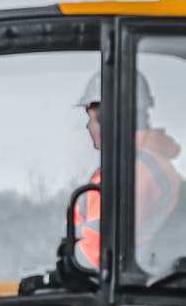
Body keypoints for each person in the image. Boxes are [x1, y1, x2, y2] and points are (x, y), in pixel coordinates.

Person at [70, 69, 182, 270]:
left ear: (110, 116)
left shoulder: (135, 171)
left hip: (127, 284)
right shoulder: (138, 164)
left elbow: (97, 251)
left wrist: (65, 271)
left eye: (92, 117)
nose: (88, 126)